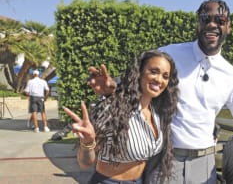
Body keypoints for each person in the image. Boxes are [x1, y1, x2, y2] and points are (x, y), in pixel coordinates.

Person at [87, 0, 233, 183]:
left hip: (204, 164)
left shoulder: (232, 77)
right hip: (165, 160)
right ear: (197, 25)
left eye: (220, 20)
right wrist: (113, 88)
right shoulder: (169, 55)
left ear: (229, 27)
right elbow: (141, 84)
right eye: (205, 19)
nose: (212, 24)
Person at [63, 50, 179, 184]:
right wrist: (87, 143)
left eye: (165, 76)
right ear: (139, 73)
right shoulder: (113, 109)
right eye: (153, 71)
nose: (159, 80)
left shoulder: (157, 113)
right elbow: (85, 163)